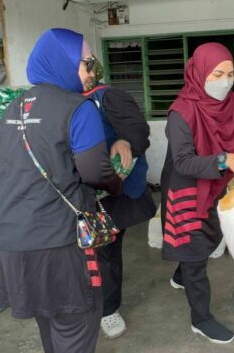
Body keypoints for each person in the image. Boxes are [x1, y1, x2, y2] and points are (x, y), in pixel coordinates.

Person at [0, 28, 123, 353]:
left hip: (10, 245)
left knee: (50, 326)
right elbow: (95, 172)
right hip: (58, 246)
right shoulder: (79, 108)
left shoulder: (14, 108)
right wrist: (116, 183)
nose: (92, 71)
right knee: (76, 329)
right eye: (87, 63)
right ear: (62, 63)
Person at [161, 42, 234, 344]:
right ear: (200, 72)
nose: (225, 81)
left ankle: (181, 273)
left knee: (211, 237)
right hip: (186, 189)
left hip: (214, 184)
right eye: (218, 73)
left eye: (230, 74)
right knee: (196, 253)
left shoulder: (231, 103)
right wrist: (226, 159)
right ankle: (200, 318)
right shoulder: (182, 111)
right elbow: (184, 161)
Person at [83, 78, 157, 339]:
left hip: (109, 194)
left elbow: (138, 131)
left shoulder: (106, 96)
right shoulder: (62, 99)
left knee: (106, 252)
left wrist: (125, 141)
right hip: (76, 192)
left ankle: (108, 309)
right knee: (79, 254)